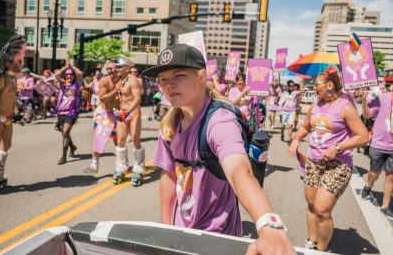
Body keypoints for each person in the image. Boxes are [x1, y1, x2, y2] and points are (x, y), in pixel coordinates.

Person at [143, 44, 295, 255]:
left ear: (201, 77)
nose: (169, 85)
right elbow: (168, 175)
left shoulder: (220, 121)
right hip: (181, 229)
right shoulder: (170, 124)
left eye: (178, 75)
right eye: (163, 79)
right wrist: (165, 228)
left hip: (217, 234)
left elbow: (239, 172)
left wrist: (269, 226)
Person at [289, 66, 368, 251]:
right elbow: (306, 126)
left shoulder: (346, 108)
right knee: (311, 205)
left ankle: (321, 250)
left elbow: (364, 136)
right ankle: (312, 241)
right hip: (313, 161)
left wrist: (338, 147)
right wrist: (296, 139)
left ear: (330, 85)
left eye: (317, 84)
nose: (314, 87)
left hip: (338, 164)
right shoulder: (317, 104)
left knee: (322, 209)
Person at [0, 35, 26, 190]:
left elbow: (11, 97)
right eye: (13, 61)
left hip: (8, 118)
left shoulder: (12, 78)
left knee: (7, 145)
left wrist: (19, 103)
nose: (16, 63)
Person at [360, 88, 393, 220]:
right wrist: (363, 100)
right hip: (379, 143)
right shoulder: (383, 97)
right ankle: (368, 185)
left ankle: (385, 207)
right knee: (374, 173)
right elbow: (368, 114)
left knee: (391, 177)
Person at [113, 57, 144, 186]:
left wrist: (127, 112)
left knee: (136, 139)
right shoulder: (119, 80)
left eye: (120, 67)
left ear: (127, 68)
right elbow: (118, 97)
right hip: (122, 113)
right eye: (117, 67)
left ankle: (138, 169)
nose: (117, 69)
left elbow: (137, 99)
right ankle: (121, 168)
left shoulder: (133, 80)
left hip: (133, 113)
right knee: (120, 140)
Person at [84, 62, 120, 174]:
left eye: (111, 68)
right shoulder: (104, 81)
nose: (109, 70)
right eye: (107, 68)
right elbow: (103, 98)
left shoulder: (123, 80)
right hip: (103, 112)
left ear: (117, 69)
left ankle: (121, 164)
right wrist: (116, 90)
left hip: (118, 113)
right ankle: (94, 164)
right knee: (98, 137)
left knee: (118, 140)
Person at [55, 59, 83, 165]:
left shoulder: (77, 84)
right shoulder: (62, 84)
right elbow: (57, 74)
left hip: (71, 111)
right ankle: (72, 146)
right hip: (61, 111)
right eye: (67, 74)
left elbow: (80, 73)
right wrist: (66, 67)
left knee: (65, 132)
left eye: (71, 74)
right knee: (63, 133)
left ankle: (63, 156)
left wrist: (71, 66)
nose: (69, 76)